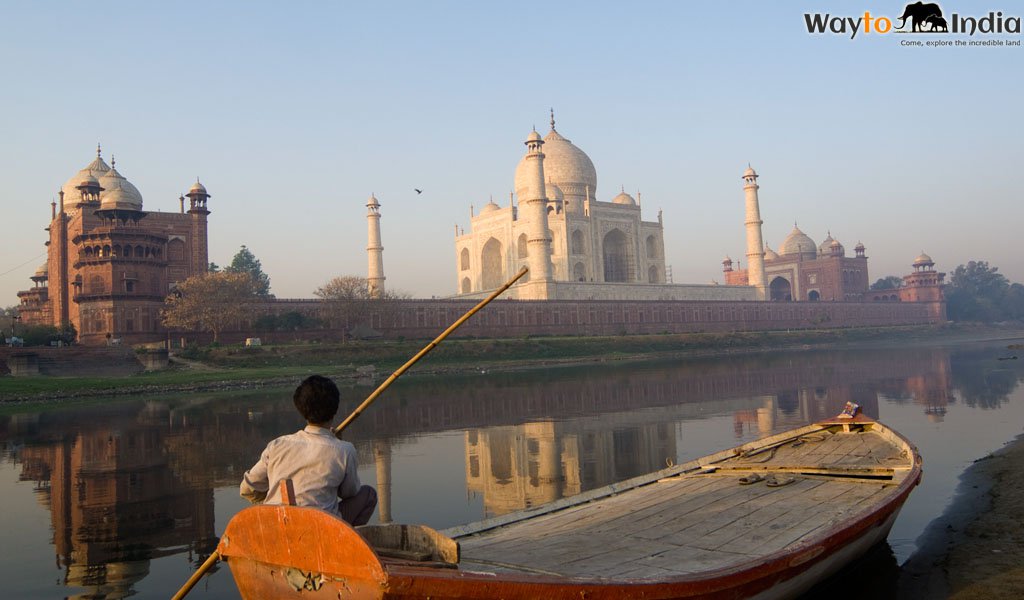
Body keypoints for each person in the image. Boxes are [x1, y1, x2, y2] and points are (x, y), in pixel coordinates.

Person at [240, 374, 377, 526]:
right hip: (321, 529)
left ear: (301, 408)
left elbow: (247, 489)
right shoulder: (344, 450)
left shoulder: (277, 445)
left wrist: (273, 496)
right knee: (368, 494)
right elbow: (349, 492)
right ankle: (346, 545)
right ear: (335, 408)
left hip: (276, 525)